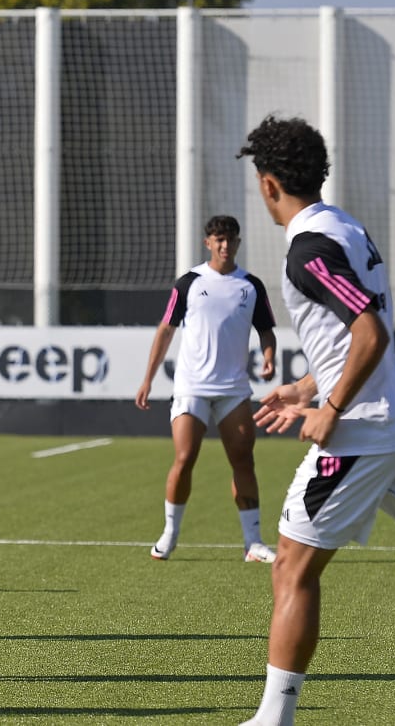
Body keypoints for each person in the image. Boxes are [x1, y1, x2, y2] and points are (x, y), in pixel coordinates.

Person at [238, 115, 395, 726]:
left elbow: (368, 331)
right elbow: (360, 333)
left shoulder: (307, 250)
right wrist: (308, 385)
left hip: (363, 428)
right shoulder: (345, 226)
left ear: (267, 185)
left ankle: (272, 720)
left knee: (291, 564)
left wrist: (329, 408)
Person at [135, 215, 278, 563]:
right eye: (218, 239)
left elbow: (266, 330)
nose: (224, 245)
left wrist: (270, 356)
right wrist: (148, 378)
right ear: (208, 243)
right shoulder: (189, 282)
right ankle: (169, 534)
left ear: (238, 243)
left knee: (243, 459)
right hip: (191, 387)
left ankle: (253, 543)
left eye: (230, 239)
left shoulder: (252, 285)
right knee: (185, 459)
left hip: (233, 390)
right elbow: (166, 330)